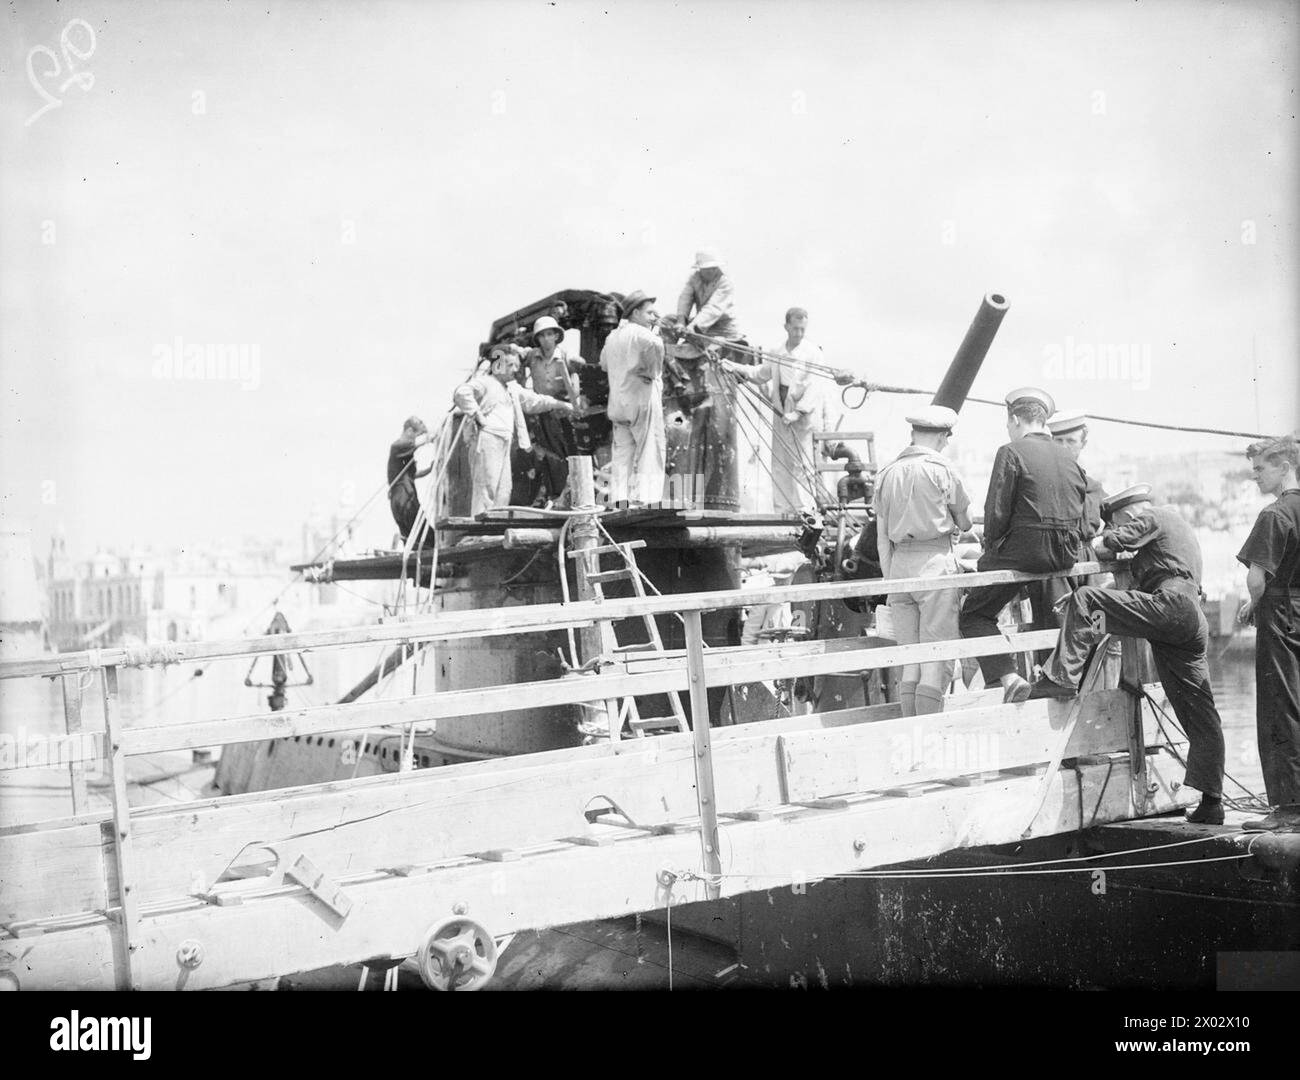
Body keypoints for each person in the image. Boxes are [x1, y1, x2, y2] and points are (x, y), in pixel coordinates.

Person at [1030, 484, 1227, 825]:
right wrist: (1081, 612)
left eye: (1117, 523)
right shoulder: (1174, 535)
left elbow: (1109, 545)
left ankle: (1061, 680)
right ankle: (1212, 802)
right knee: (1200, 714)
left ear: (1129, 515)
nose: (1116, 529)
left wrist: (1098, 544)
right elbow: (1131, 593)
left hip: (1168, 608)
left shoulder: (1153, 517)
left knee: (1086, 601)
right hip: (1187, 619)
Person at [958, 387, 1088, 702]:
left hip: (1025, 552)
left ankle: (1009, 676)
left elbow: (996, 512)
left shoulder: (1011, 451)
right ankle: (1056, 676)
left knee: (972, 614)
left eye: (1008, 424)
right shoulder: (1068, 458)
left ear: (1016, 419)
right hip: (1065, 556)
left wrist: (990, 556)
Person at [874, 405, 971, 716]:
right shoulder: (944, 471)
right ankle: (927, 744)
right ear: (943, 437)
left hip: (899, 569)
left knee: (911, 663)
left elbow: (881, 536)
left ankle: (910, 737)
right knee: (935, 661)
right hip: (935, 566)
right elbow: (966, 522)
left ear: (913, 434)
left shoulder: (886, 475)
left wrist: (892, 581)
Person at [1236, 435, 1300, 829]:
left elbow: (1257, 579)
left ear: (1283, 466)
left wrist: (1252, 605)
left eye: (1260, 468)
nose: (1255, 476)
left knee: (1280, 706)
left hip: (1279, 611)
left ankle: (1288, 810)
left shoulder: (1275, 514)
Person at [722, 307, 830, 513]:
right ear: (786, 326)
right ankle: (783, 510)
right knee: (780, 460)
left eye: (802, 329)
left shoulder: (812, 353)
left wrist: (798, 412)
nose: (798, 333)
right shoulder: (777, 352)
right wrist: (734, 367)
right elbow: (760, 374)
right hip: (781, 408)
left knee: (801, 463)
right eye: (795, 329)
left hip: (802, 413)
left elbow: (815, 387)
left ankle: (804, 509)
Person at [453, 344, 574, 515]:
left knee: (504, 488)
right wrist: (477, 415)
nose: (515, 370)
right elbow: (462, 392)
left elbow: (535, 401)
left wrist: (562, 404)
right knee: (487, 487)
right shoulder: (486, 382)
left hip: (504, 440)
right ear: (497, 365)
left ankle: (496, 523)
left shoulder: (512, 388)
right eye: (510, 365)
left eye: (516, 366)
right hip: (489, 438)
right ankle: (481, 526)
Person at [600, 290, 666, 507]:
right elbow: (655, 355)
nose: (652, 316)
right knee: (650, 447)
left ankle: (619, 499)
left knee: (621, 454)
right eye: (649, 312)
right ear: (636, 312)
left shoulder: (612, 337)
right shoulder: (643, 335)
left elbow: (603, 364)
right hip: (641, 400)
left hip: (618, 403)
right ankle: (649, 499)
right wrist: (656, 333)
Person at [522, 315, 585, 503]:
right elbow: (515, 360)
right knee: (548, 452)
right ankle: (553, 492)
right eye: (542, 336)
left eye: (550, 334)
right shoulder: (532, 356)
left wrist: (576, 400)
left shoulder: (565, 355)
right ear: (538, 339)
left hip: (563, 408)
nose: (546, 339)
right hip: (543, 410)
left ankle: (572, 492)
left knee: (568, 450)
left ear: (556, 336)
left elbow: (575, 376)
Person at [675, 248, 743, 344]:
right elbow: (685, 299)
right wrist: (680, 321)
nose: (711, 271)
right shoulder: (694, 278)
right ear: (700, 269)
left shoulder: (725, 282)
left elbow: (713, 308)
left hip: (723, 329)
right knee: (669, 320)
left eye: (714, 268)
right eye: (707, 269)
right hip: (701, 327)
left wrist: (693, 326)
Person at [387, 416, 434, 541]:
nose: (415, 439)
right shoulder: (398, 446)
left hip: (399, 499)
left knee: (412, 538)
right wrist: (431, 437)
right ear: (409, 431)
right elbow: (416, 443)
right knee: (426, 535)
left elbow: (411, 474)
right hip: (405, 498)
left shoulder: (403, 452)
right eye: (415, 434)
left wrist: (429, 470)